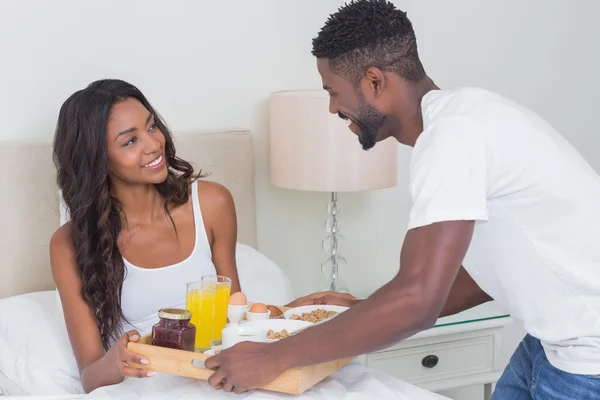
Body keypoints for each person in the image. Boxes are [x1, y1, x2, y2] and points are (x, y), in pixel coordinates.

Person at [205, 1, 600, 398]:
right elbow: (485, 273)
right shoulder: (468, 116)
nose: (332, 108)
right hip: (552, 346)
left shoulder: (452, 138)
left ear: (374, 82)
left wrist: (272, 357)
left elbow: (418, 300)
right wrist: (366, 309)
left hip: (587, 362)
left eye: (333, 92)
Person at [50, 79, 353, 393]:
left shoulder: (211, 203)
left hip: (220, 373)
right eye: (130, 141)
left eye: (152, 127)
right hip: (148, 386)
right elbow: (89, 376)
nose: (153, 144)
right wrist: (117, 361)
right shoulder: (69, 245)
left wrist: (296, 311)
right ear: (97, 158)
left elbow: (235, 316)